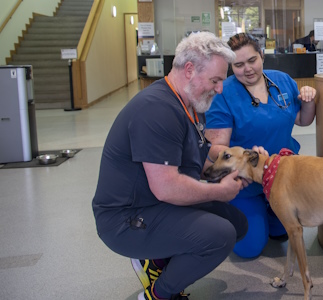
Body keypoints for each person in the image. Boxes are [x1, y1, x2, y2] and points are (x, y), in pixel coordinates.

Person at [92, 32, 252, 300]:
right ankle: (158, 294)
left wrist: (229, 167)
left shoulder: (192, 102)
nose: (220, 88)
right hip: (125, 219)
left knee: (236, 223)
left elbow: (195, 158)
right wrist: (218, 191)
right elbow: (167, 187)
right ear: (189, 70)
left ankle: (157, 260)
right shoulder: (157, 111)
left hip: (154, 201)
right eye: (215, 80)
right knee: (221, 235)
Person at [205, 33, 317, 258]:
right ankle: (235, 210)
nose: (247, 69)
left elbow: (303, 120)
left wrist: (309, 100)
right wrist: (246, 156)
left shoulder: (282, 80)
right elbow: (216, 149)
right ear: (230, 66)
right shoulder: (223, 94)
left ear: (262, 56)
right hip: (246, 181)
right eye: (238, 65)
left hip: (281, 176)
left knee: (281, 233)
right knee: (250, 248)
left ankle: (268, 211)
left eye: (252, 60)